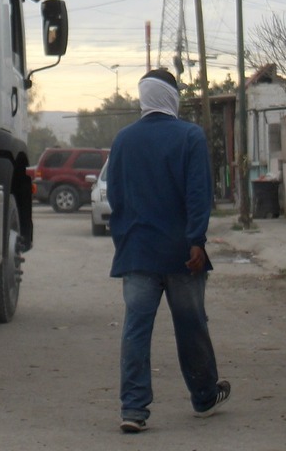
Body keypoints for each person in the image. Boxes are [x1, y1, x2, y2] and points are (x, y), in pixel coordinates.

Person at [107, 68, 230, 433]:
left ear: (145, 97)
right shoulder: (190, 136)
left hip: (137, 253)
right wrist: (197, 240)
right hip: (182, 254)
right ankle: (204, 396)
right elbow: (198, 193)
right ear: (172, 97)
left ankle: (133, 409)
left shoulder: (123, 140)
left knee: (136, 330)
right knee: (191, 326)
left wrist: (125, 241)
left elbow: (116, 196)